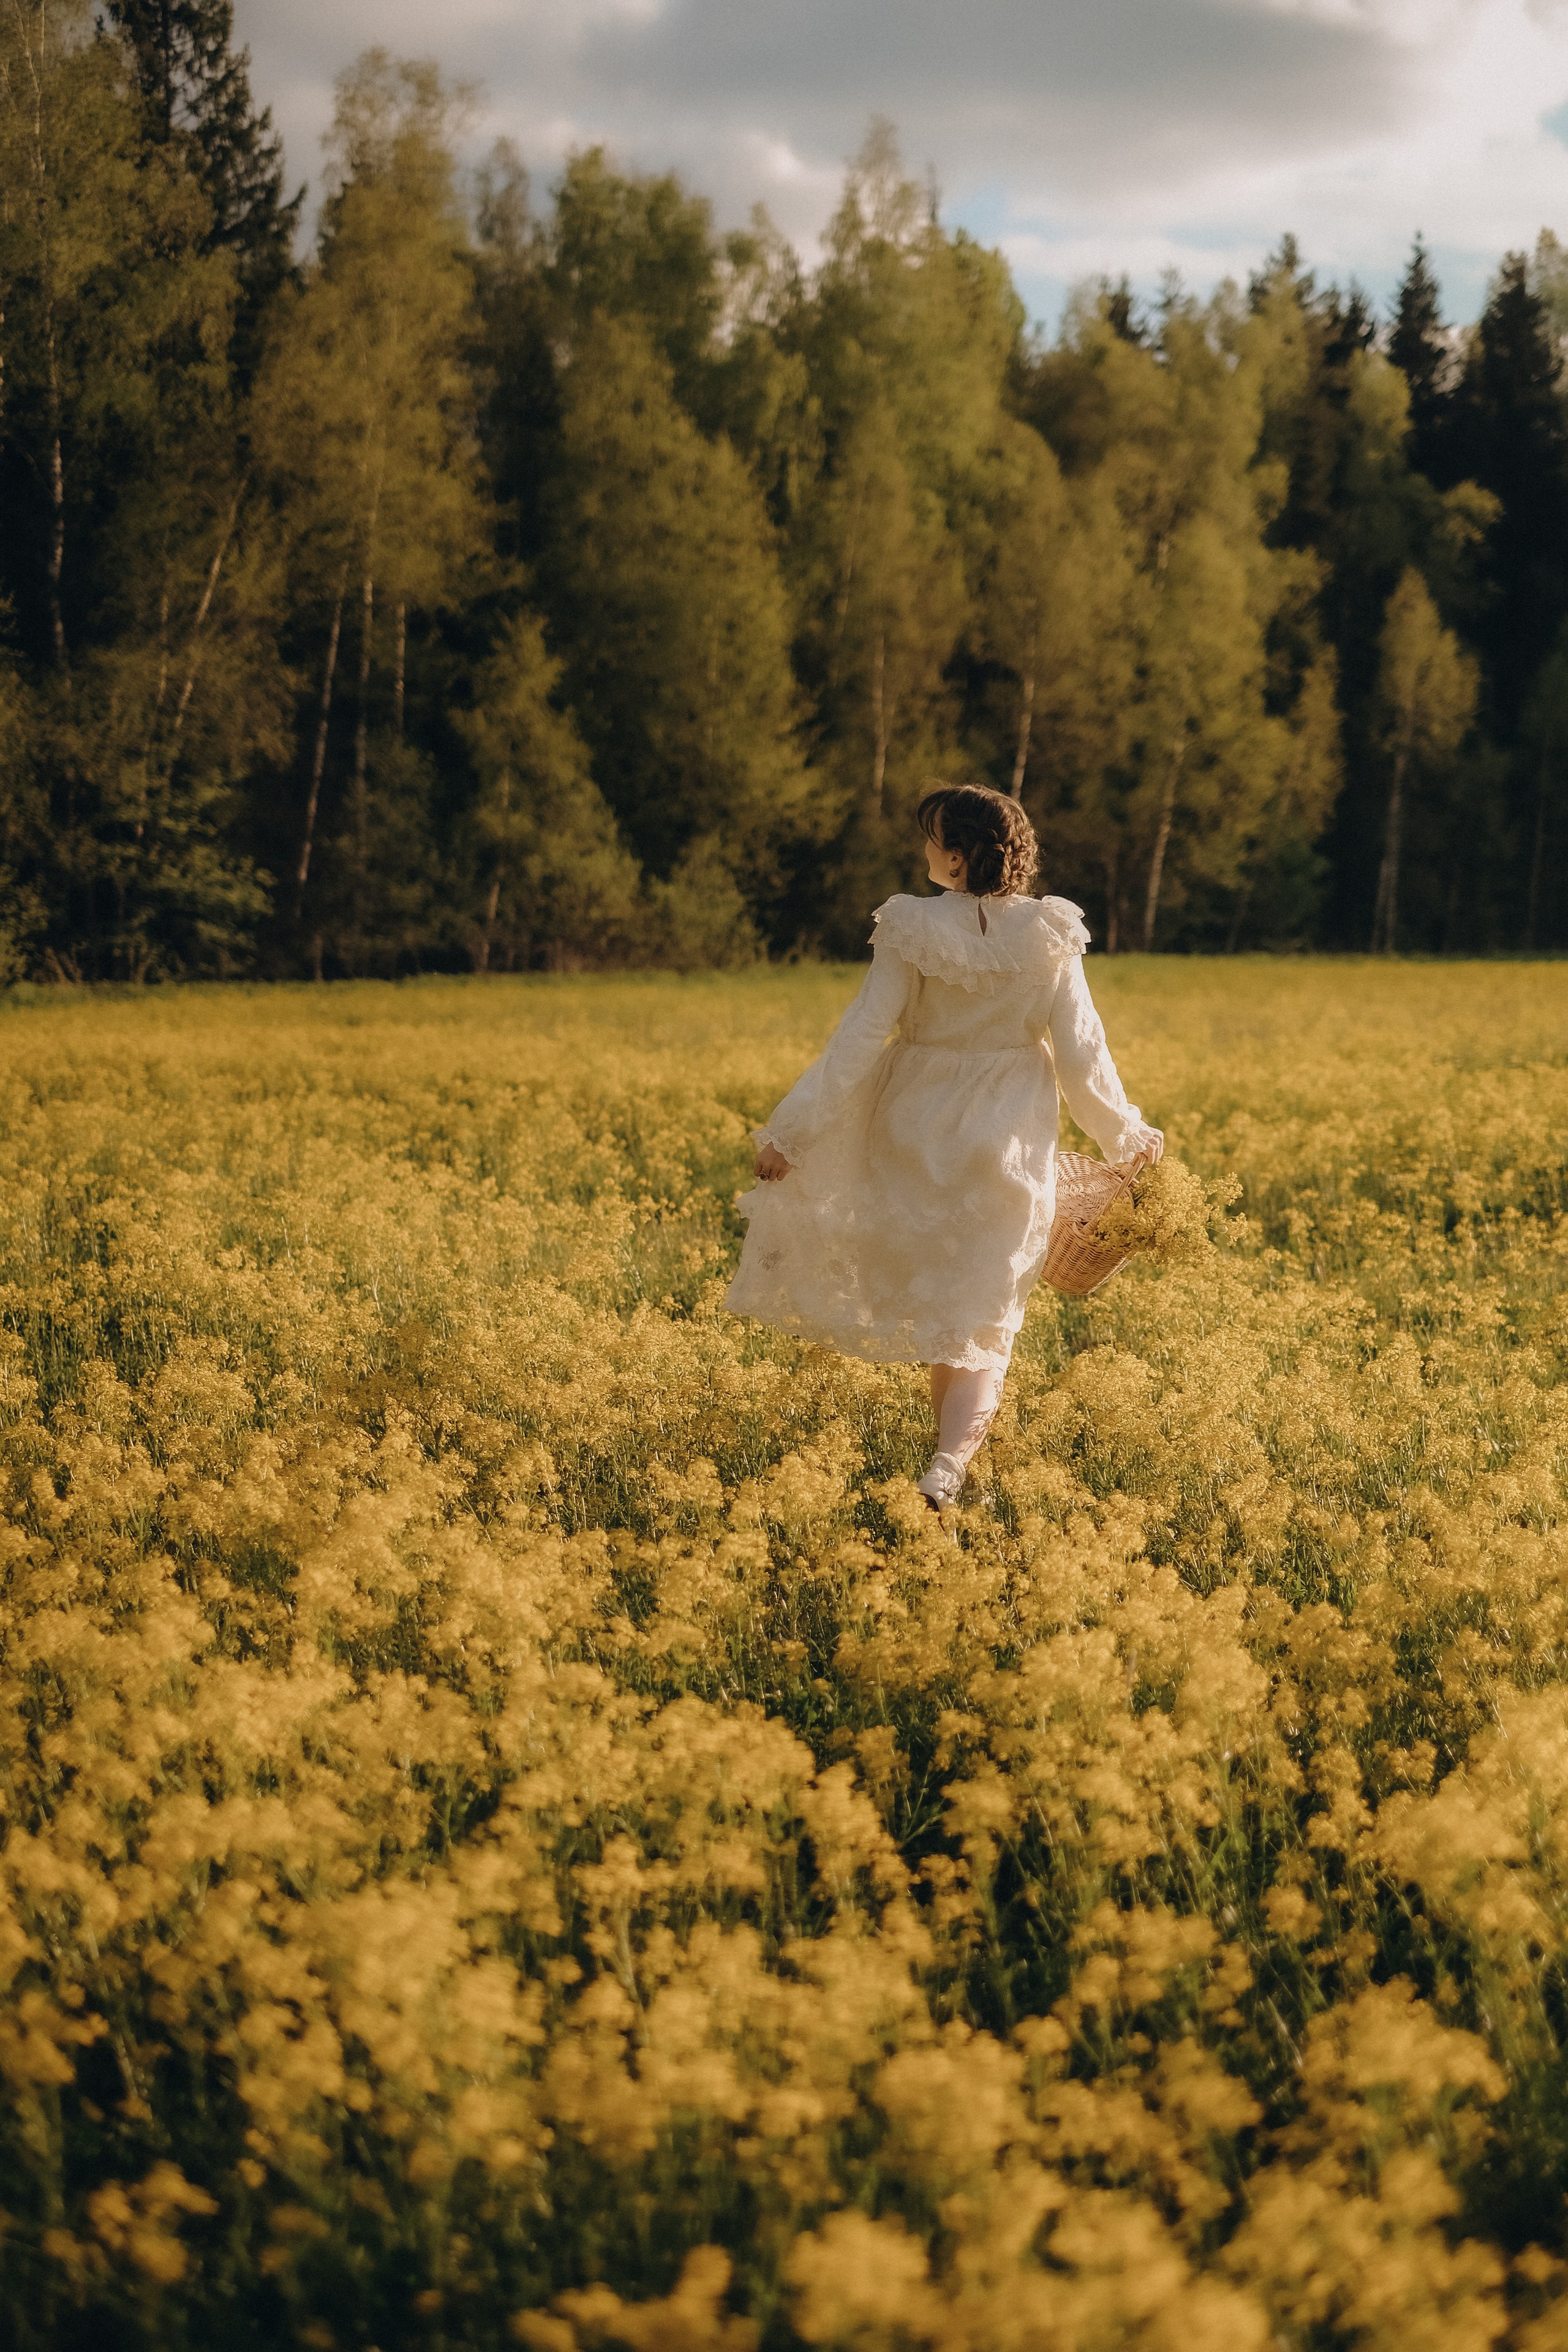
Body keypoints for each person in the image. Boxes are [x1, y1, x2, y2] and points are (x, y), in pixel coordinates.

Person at [726, 784, 1163, 1508]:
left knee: (954, 1327)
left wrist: (792, 1133)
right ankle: (949, 1470)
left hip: (915, 1131)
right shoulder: (1051, 931)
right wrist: (1125, 1136)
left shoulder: (911, 925)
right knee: (985, 1322)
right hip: (1008, 1139)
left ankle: (948, 1477)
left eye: (932, 839)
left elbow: (862, 1035)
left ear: (956, 856)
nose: (924, 851)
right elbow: (1082, 1052)